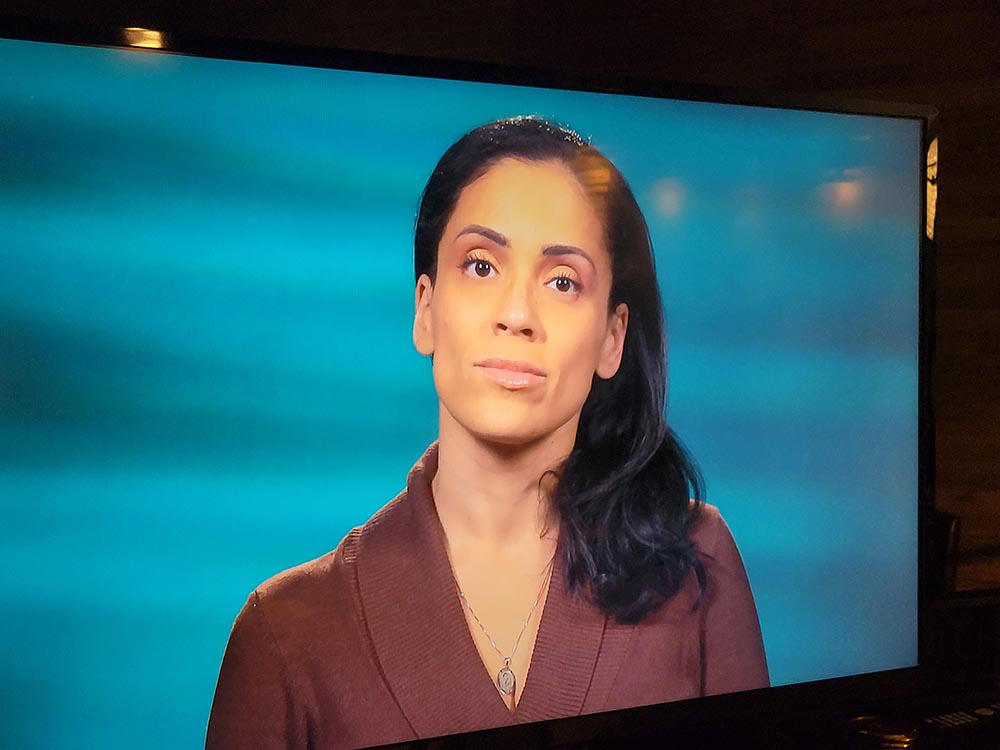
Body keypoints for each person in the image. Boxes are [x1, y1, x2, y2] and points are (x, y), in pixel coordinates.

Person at [206, 116, 768, 750]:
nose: (517, 314)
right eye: (480, 266)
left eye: (562, 281)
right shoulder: (285, 633)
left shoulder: (697, 562)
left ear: (612, 338)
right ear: (425, 308)